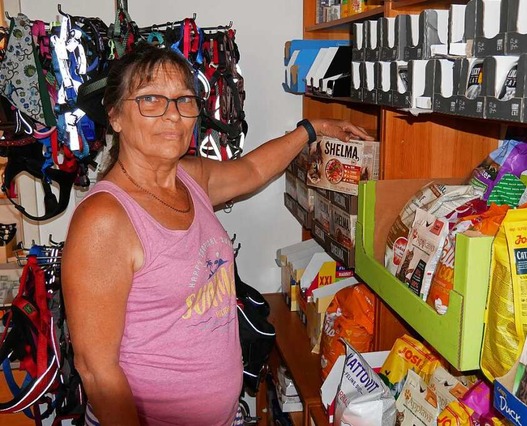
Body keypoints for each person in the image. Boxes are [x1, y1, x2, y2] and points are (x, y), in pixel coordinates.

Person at [60, 42, 372, 426]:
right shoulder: (105, 220)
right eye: (151, 100)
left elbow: (252, 171)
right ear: (116, 116)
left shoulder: (189, 178)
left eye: (184, 101)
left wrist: (312, 129)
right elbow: (95, 369)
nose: (172, 116)